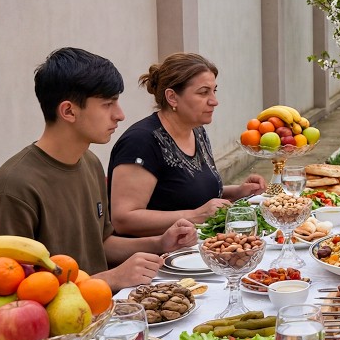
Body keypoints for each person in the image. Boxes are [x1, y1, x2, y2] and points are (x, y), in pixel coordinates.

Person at [0, 47, 197, 291]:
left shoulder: (90, 163)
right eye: (107, 104)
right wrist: (110, 279)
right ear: (69, 111)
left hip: (104, 308)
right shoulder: (14, 188)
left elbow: (101, 244)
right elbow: (10, 292)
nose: (120, 115)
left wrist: (159, 242)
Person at [107, 52, 265, 237]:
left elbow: (186, 195)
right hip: (155, 259)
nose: (214, 101)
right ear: (172, 97)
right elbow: (124, 219)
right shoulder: (141, 142)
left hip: (197, 249)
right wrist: (196, 216)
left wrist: (237, 192)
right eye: (203, 92)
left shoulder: (196, 131)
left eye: (214, 90)